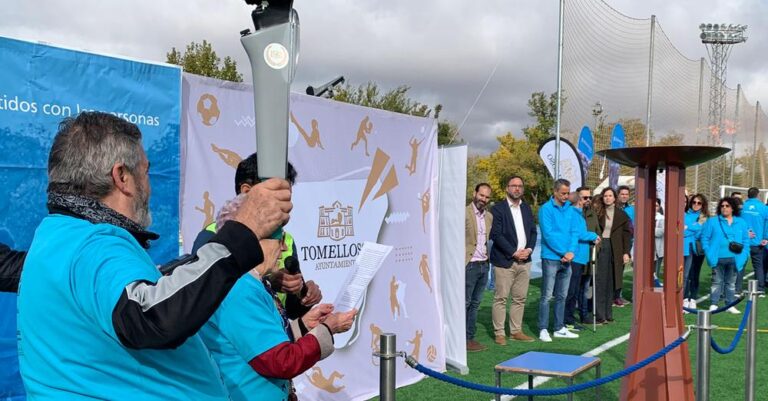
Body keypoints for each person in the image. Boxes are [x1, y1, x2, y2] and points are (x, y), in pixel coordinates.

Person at [17, 112, 292, 400]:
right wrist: (243, 231)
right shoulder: (94, 243)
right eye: (145, 172)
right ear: (122, 177)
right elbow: (149, 317)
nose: (149, 186)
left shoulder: (58, 236)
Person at [198, 194, 357, 401]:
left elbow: (263, 343)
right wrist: (329, 328)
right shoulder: (239, 288)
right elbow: (281, 361)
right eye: (279, 238)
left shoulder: (248, 280)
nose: (283, 247)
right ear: (254, 239)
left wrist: (304, 325)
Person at [192, 153, 321, 319]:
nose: (287, 206)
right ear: (247, 191)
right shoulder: (213, 238)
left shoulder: (286, 239)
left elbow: (291, 311)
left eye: (287, 197)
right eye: (278, 196)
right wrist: (267, 283)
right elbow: (208, 301)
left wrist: (303, 296)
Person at [489, 176, 537, 344]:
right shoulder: (498, 209)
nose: (517, 188)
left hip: (525, 260)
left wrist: (529, 250)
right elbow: (496, 235)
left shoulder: (526, 208)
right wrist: (514, 252)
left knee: (520, 298)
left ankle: (516, 331)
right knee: (501, 298)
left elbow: (533, 232)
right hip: (504, 261)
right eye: (513, 186)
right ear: (507, 188)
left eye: (520, 186)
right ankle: (500, 333)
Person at [537, 179, 580, 342]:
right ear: (555, 192)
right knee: (547, 295)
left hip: (567, 259)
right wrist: (564, 252)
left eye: (568, 193)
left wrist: (571, 252)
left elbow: (575, 232)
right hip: (551, 258)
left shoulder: (571, 210)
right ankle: (543, 328)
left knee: (562, 295)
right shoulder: (546, 209)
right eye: (563, 193)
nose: (566, 196)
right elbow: (548, 235)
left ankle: (559, 327)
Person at [701, 197, 749, 314]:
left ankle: (730, 304)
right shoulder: (712, 221)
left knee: (731, 283)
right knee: (716, 282)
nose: (724, 208)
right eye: (722, 206)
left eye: (727, 206)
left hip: (735, 258)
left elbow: (746, 240)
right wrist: (709, 252)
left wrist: (744, 255)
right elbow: (704, 238)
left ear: (732, 208)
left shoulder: (741, 222)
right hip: (717, 258)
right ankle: (714, 303)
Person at [591, 188, 632, 324]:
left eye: (610, 196)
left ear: (615, 198)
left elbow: (627, 235)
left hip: (616, 249)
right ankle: (599, 314)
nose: (608, 198)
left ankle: (608, 313)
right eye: (605, 196)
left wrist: (626, 252)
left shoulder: (622, 215)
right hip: (600, 248)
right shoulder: (597, 212)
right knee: (600, 281)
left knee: (611, 281)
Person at [565, 187, 599, 329]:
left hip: (581, 257)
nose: (588, 200)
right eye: (585, 198)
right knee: (571, 291)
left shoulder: (578, 214)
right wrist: (594, 236)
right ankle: (567, 321)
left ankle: (570, 319)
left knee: (575, 290)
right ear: (579, 200)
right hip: (576, 257)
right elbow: (578, 234)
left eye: (589, 198)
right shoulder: (573, 214)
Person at [464, 183, 493, 352]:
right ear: (474, 193)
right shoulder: (464, 213)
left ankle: (469, 337)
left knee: (475, 304)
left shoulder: (488, 217)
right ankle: (461, 339)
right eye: (481, 195)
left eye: (487, 197)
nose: (484, 199)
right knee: (465, 303)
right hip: (469, 264)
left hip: (484, 265)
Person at [738, 187, 768, 295]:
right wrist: (765, 238)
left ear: (748, 195)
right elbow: (766, 224)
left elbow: (737, 223)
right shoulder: (763, 208)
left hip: (743, 241)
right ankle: (760, 288)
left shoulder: (742, 207)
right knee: (758, 266)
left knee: (741, 264)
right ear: (758, 195)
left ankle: (737, 289)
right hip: (757, 242)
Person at [683, 194, 709, 309]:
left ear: (703, 205)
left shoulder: (705, 217)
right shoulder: (685, 214)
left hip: (698, 249)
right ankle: (684, 298)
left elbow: (701, 233)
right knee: (685, 275)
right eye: (694, 202)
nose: (696, 205)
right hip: (686, 248)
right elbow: (682, 232)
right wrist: (694, 227)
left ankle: (692, 298)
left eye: (699, 203)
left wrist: (688, 228)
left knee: (694, 274)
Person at [615, 185, 634, 306]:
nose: (624, 196)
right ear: (618, 195)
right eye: (622, 194)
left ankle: (618, 296)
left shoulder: (631, 209)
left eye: (626, 194)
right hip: (615, 242)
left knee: (621, 270)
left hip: (627, 242)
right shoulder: (614, 207)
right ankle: (611, 296)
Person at [654, 198, 665, 286]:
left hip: (658, 249)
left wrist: (648, 228)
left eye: (656, 205)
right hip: (645, 249)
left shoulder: (662, 218)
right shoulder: (642, 216)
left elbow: (661, 232)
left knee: (655, 272)